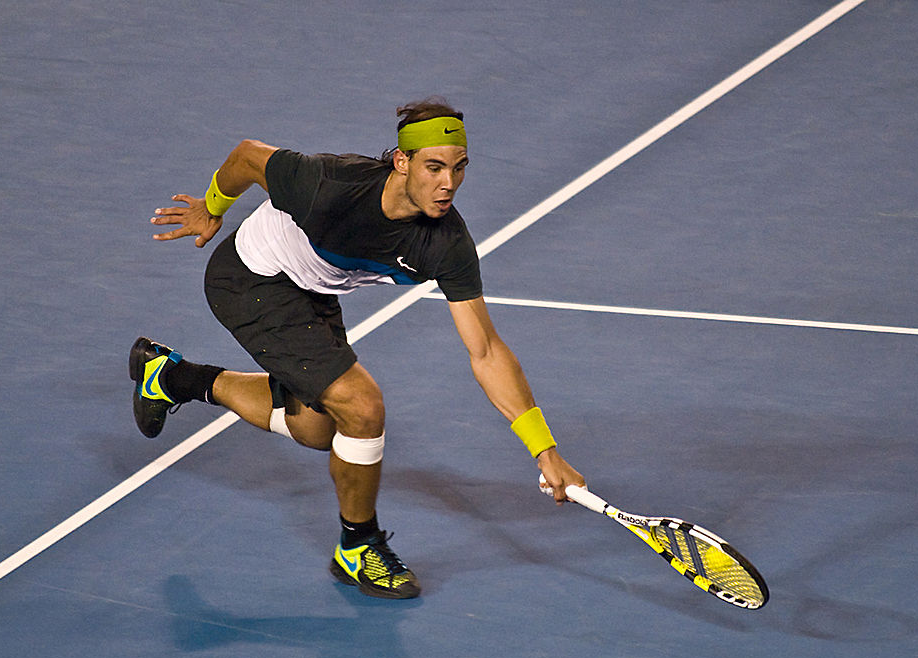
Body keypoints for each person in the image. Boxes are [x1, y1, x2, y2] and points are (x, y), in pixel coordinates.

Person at [136, 98, 585, 599]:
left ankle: (170, 377)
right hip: (251, 279)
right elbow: (246, 157)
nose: (448, 184)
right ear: (402, 161)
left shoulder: (447, 243)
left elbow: (486, 351)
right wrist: (210, 209)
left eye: (459, 169)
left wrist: (544, 449)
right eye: (434, 167)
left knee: (315, 428)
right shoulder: (328, 186)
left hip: (312, 289)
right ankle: (358, 545)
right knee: (362, 406)